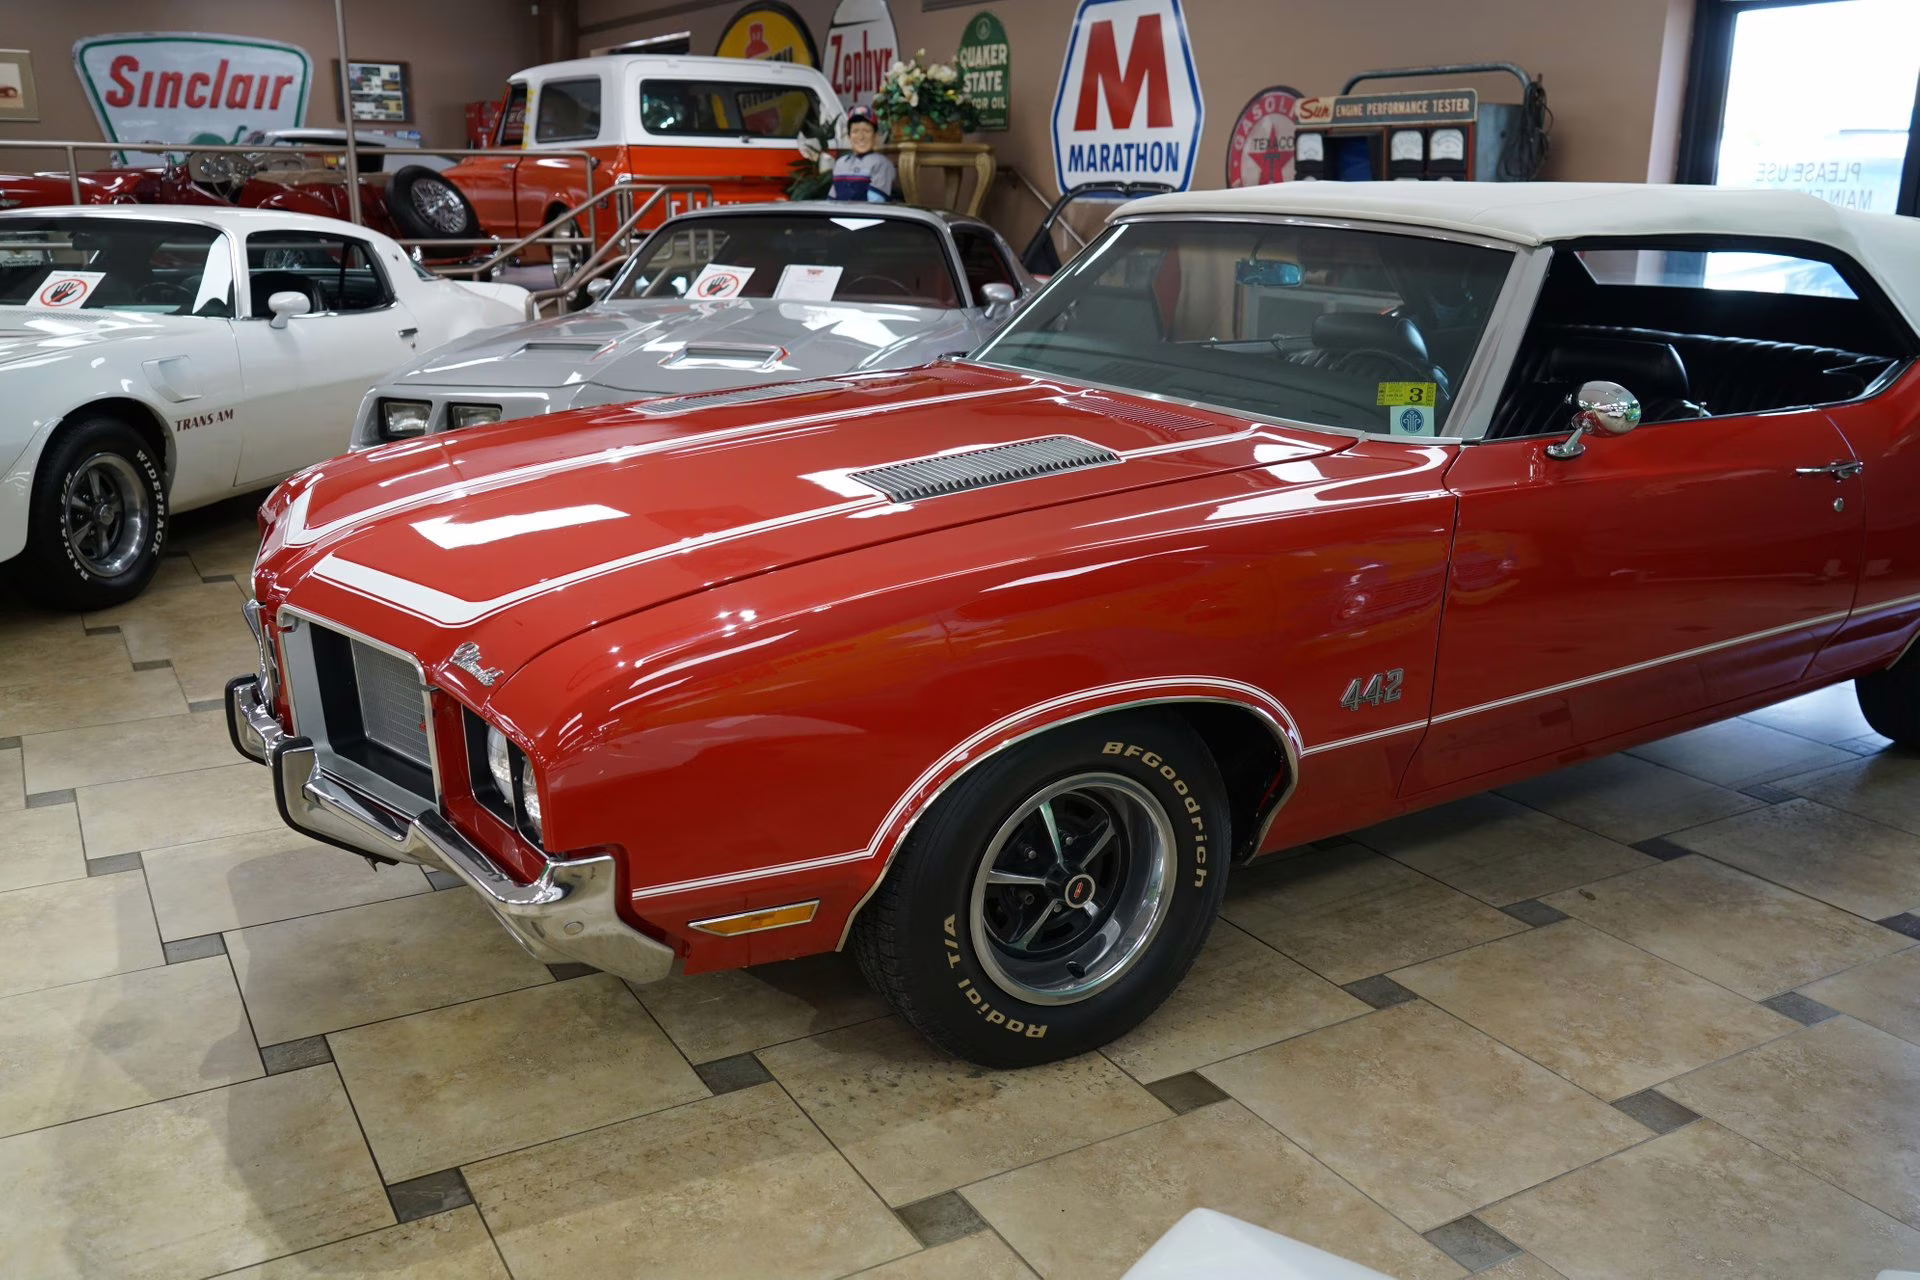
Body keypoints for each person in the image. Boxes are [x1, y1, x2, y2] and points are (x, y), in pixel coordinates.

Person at [831, 106, 897, 203]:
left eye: (866, 131)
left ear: (876, 136)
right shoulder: (840, 164)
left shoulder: (881, 164)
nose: (861, 137)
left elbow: (875, 204)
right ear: (849, 136)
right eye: (855, 131)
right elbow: (831, 201)